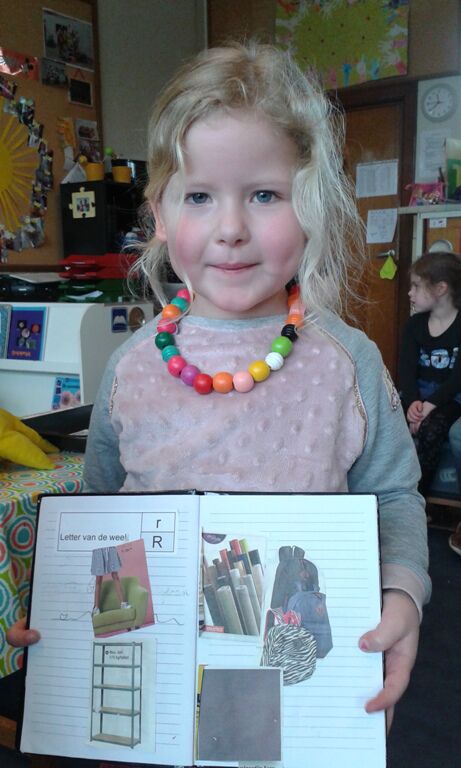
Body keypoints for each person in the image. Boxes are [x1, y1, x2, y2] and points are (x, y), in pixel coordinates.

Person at [7, 41, 430, 731]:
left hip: (299, 685)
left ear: (310, 204)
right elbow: (102, 520)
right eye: (200, 196)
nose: (231, 229)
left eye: (264, 195)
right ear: (160, 213)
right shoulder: (133, 366)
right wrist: (70, 622)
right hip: (156, 691)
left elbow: (392, 498)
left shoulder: (344, 361)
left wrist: (402, 593)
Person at [399, 251, 461, 497]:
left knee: (432, 430)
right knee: (387, 423)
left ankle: (419, 498)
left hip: (450, 398)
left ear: (441, 288)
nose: (410, 293)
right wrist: (413, 402)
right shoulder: (414, 325)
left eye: (416, 286)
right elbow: (406, 369)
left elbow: (457, 379)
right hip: (418, 395)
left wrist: (429, 406)